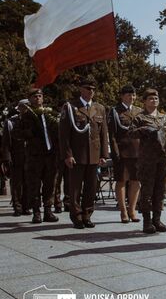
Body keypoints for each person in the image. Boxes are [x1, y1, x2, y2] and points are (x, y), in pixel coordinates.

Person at [59, 79, 109, 229]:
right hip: (77, 155)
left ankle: (87, 214)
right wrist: (67, 154)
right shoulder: (70, 107)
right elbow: (64, 134)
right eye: (87, 88)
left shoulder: (99, 108)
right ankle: (77, 216)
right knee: (75, 188)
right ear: (80, 89)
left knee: (91, 187)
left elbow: (103, 133)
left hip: (93, 155)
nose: (91, 91)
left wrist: (104, 155)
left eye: (93, 89)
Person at [129, 89, 166, 234]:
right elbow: (130, 133)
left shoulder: (163, 117)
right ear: (145, 101)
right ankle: (147, 221)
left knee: (160, 190)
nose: (154, 101)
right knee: (147, 190)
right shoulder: (140, 117)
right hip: (147, 160)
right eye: (151, 99)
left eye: (156, 98)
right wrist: (144, 130)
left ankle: (157, 220)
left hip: (163, 159)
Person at [17, 88, 59, 223]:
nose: (37, 98)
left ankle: (48, 211)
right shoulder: (25, 116)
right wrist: (29, 132)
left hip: (49, 154)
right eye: (34, 96)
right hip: (34, 156)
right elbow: (16, 133)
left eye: (40, 96)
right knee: (34, 185)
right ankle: (36, 212)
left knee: (50, 184)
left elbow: (58, 130)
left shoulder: (49, 114)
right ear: (29, 99)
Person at [108, 85, 143, 224]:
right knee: (122, 180)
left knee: (136, 181)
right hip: (122, 151)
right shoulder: (115, 111)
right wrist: (115, 152)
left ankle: (132, 210)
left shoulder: (139, 111)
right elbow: (112, 135)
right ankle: (123, 211)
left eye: (133, 95)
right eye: (128, 95)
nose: (131, 97)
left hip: (137, 151)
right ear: (122, 96)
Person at [2, 100, 29, 216]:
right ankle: (17, 206)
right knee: (17, 183)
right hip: (16, 156)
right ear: (19, 109)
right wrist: (7, 159)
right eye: (24, 107)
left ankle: (26, 206)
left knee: (29, 182)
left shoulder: (33, 121)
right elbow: (6, 143)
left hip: (31, 157)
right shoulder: (11, 122)